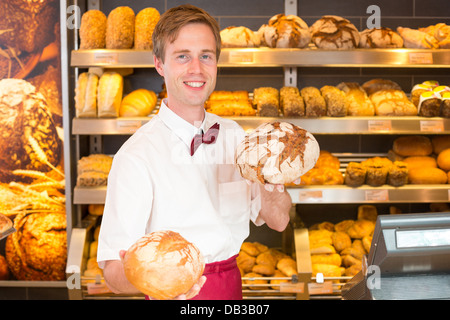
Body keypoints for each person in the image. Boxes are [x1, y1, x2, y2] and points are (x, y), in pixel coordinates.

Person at [97, 4, 292, 300]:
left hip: (231, 286)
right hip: (171, 295)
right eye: (182, 57)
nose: (196, 69)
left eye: (205, 56)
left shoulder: (235, 136)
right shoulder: (136, 156)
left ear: (216, 63)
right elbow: (112, 271)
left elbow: (278, 220)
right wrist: (156, 279)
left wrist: (272, 181)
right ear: (160, 64)